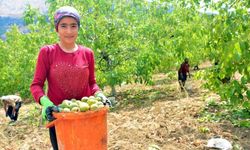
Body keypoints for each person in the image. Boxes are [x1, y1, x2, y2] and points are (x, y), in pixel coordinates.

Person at [30, 6, 111, 150]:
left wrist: (100, 94)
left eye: (73, 26)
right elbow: (36, 85)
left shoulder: (87, 53)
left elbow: (92, 83)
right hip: (61, 118)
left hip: (87, 116)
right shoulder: (47, 52)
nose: (69, 31)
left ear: (78, 28)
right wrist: (46, 102)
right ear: (57, 29)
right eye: (63, 26)